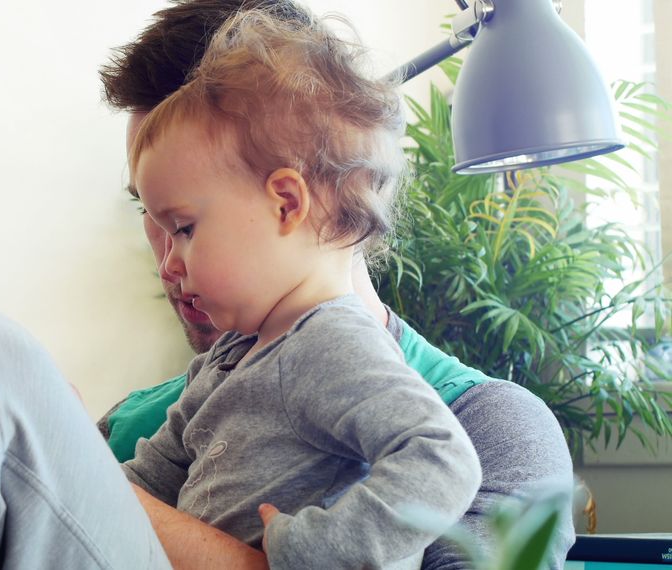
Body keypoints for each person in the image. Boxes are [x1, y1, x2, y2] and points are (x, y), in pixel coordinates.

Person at [96, 1, 576, 568]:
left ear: (286, 202)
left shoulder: (487, 424)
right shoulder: (150, 411)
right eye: (148, 215)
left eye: (184, 224)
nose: (168, 258)